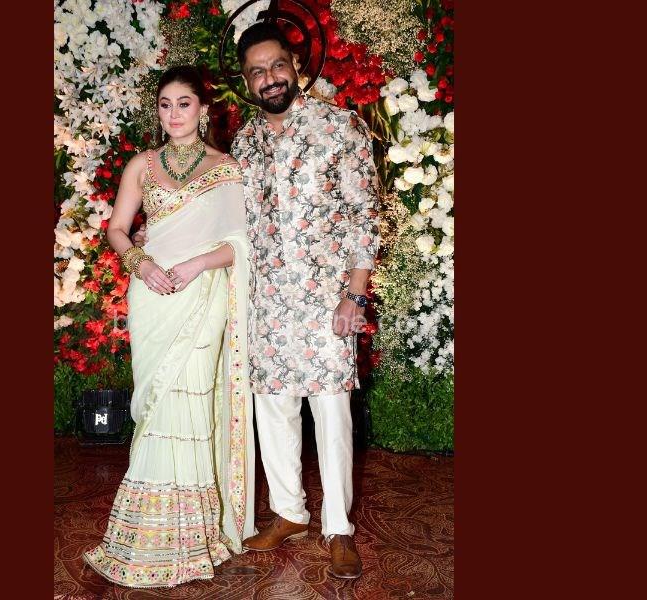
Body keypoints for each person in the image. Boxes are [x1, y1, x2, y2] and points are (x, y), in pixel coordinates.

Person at [82, 65, 256, 588]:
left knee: (191, 403)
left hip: (202, 295)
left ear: (203, 110)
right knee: (156, 408)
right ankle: (148, 534)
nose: (174, 114)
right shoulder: (142, 165)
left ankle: (192, 537)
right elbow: (117, 229)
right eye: (165, 104)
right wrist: (142, 265)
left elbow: (242, 245)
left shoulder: (227, 170)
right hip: (153, 294)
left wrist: (197, 264)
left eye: (184, 103)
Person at [231, 22, 380, 579]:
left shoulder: (339, 126)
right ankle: (289, 512)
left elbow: (365, 215)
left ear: (294, 64)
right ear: (247, 82)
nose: (269, 78)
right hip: (266, 302)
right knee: (273, 410)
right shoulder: (244, 143)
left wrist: (354, 295)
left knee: (332, 414)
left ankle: (339, 528)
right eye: (257, 72)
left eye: (276, 65)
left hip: (326, 301)